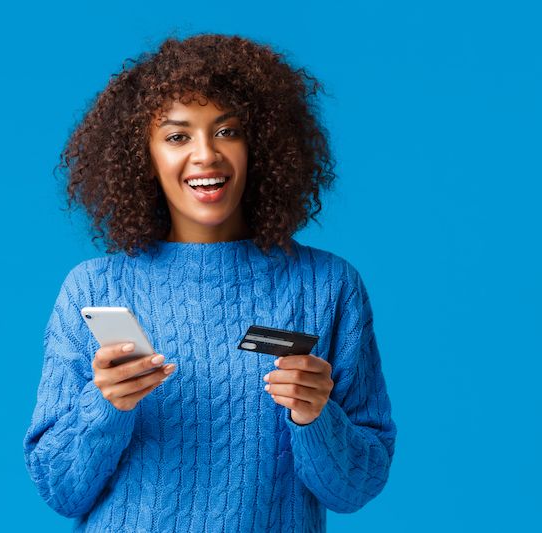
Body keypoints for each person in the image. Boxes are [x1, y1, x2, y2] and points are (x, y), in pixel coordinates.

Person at [24, 33, 396, 533]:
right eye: (178, 136)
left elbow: (356, 488)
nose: (206, 155)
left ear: (260, 145)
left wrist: (316, 417)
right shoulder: (93, 289)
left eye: (228, 131)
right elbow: (60, 489)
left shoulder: (327, 286)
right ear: (143, 156)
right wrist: (105, 406)